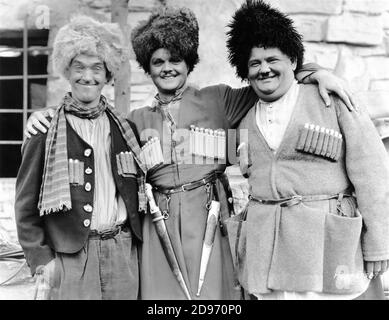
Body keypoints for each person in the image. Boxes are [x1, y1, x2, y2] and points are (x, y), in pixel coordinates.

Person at [25, 7, 356, 300]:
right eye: (158, 61)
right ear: (147, 67)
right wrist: (43, 115)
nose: (167, 68)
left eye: (175, 59)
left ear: (188, 61)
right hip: (158, 227)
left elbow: (270, 78)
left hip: (210, 219)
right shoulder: (133, 122)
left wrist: (315, 71)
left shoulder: (219, 99)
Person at [227, 0, 389, 300]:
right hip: (269, 258)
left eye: (272, 59)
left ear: (292, 60)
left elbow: (374, 174)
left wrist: (379, 242)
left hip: (327, 251)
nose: (264, 69)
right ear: (245, 71)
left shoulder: (332, 99)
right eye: (254, 63)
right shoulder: (244, 115)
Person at [15, 16, 146, 300]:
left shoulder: (125, 130)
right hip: (70, 257)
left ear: (108, 74)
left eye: (97, 68)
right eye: (79, 67)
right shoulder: (44, 130)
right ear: (67, 69)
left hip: (122, 251)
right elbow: (25, 205)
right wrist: (41, 259)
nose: (88, 76)